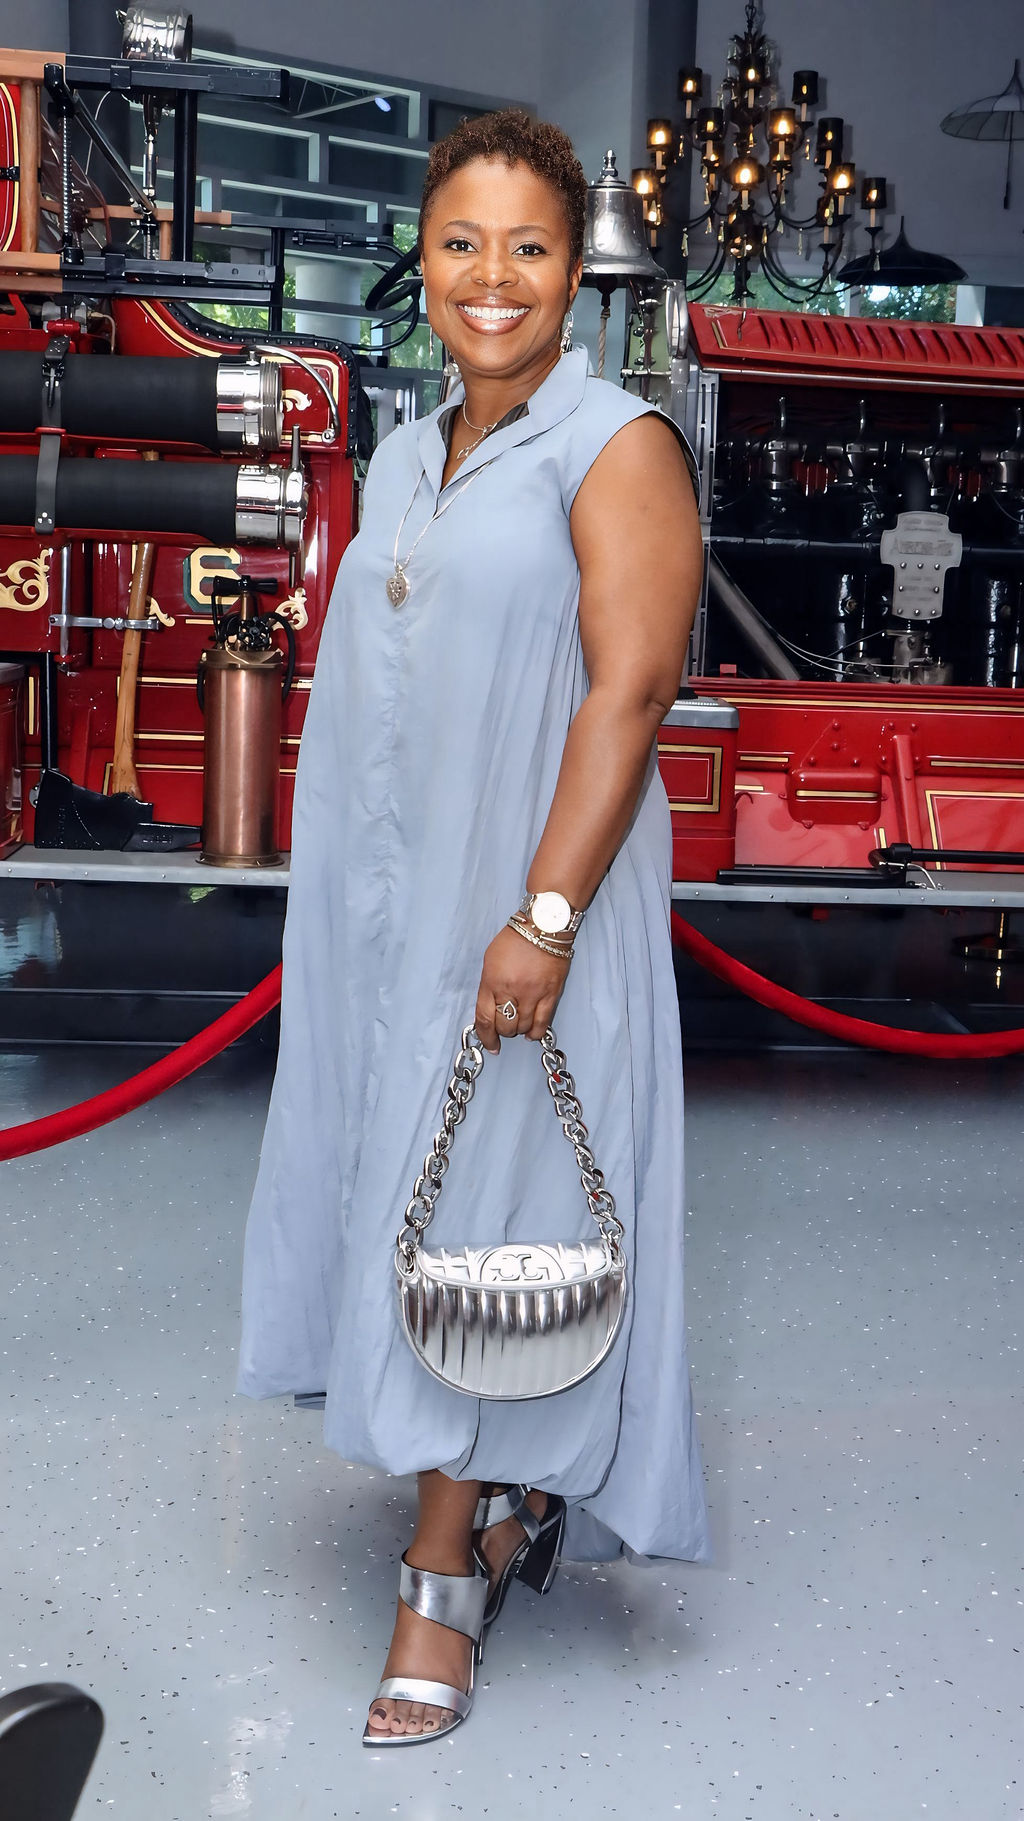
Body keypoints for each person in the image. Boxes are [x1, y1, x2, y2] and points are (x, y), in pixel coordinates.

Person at [238, 107, 709, 1747]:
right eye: (459, 242)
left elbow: (631, 690)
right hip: (395, 903)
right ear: (422, 262)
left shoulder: (618, 444)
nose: (489, 275)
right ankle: (505, 1499)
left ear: (573, 275)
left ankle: (442, 1573)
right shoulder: (401, 452)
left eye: (527, 246)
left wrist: (547, 915)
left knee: (493, 1204)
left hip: (528, 906)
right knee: (435, 1193)